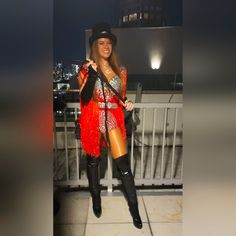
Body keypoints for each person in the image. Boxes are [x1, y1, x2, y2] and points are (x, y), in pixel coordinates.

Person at [77, 22, 142, 229]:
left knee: (123, 164)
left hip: (112, 118)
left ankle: (134, 209)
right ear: (94, 46)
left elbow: (120, 98)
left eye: (109, 43)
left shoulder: (121, 71)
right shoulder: (86, 70)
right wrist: (92, 75)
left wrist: (127, 103)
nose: (106, 47)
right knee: (93, 162)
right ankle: (96, 201)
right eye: (101, 43)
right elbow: (85, 98)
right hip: (93, 119)